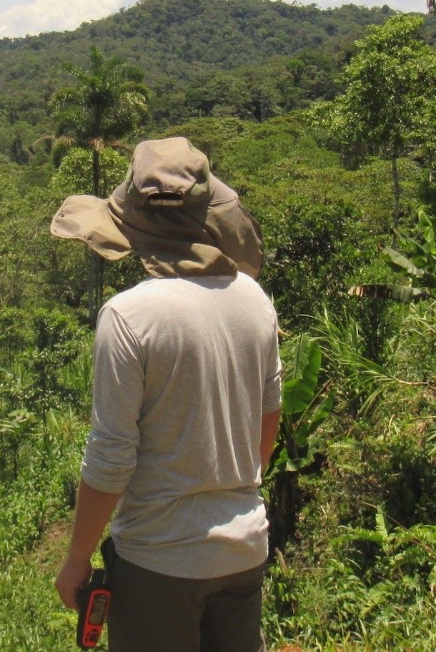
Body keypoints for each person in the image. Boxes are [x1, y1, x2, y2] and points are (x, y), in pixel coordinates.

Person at [51, 136, 282, 652]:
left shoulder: (130, 316)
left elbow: (111, 458)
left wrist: (75, 560)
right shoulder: (253, 300)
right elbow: (269, 421)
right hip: (244, 551)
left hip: (159, 562)